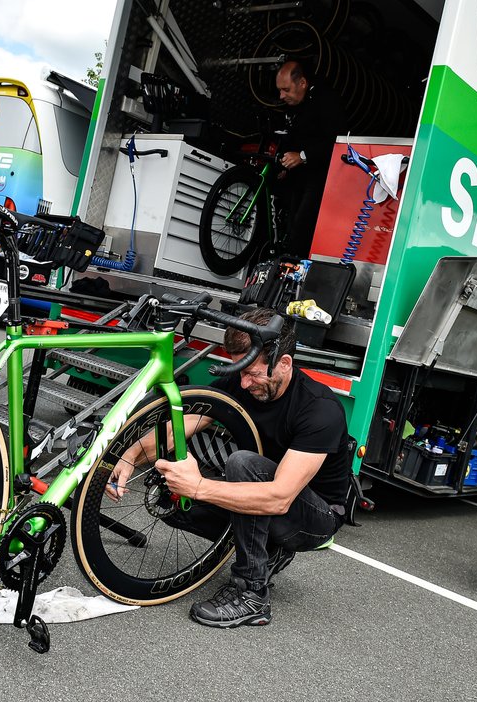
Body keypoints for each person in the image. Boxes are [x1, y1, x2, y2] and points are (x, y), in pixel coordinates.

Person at [108, 307, 352, 628]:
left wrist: (197, 487)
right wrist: (128, 457)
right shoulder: (242, 381)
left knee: (242, 464)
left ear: (284, 363)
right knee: (170, 501)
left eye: (252, 373)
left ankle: (252, 596)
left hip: (315, 515)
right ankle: (268, 549)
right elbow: (178, 430)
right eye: (240, 371)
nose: (244, 382)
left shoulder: (319, 410)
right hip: (268, 493)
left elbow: (279, 497)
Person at [273, 59, 346, 259]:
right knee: (291, 224)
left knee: (302, 227)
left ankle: (295, 273)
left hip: (322, 176)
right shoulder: (294, 105)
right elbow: (293, 134)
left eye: (286, 89)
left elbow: (336, 140)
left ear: (302, 83)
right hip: (299, 177)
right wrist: (285, 163)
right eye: (280, 90)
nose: (281, 95)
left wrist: (303, 156)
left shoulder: (326, 100)